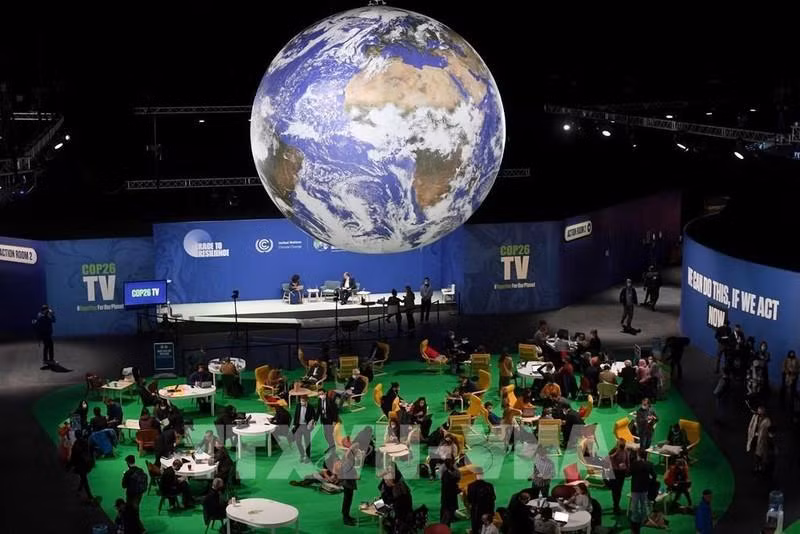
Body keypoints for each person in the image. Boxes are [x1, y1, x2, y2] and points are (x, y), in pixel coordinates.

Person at [629, 448, 656, 534]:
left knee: (635, 506)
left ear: (638, 455)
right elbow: (654, 476)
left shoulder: (634, 464)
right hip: (645, 488)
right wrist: (649, 482)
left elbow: (628, 474)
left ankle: (635, 520)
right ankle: (644, 519)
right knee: (644, 504)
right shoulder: (650, 464)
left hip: (635, 488)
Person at [465, 467, 495, 534]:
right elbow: (493, 499)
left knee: (476, 528)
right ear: (483, 474)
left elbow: (469, 500)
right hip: (487, 511)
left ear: (475, 475)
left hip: (476, 512)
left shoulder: (470, 486)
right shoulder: (489, 486)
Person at [121, 455, 147, 528]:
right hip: (139, 493)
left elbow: (124, 485)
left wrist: (124, 476)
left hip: (131, 494)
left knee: (132, 511)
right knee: (136, 508)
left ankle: (139, 528)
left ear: (128, 463)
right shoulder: (140, 470)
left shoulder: (128, 473)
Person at [69, 436, 95, 503]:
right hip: (88, 464)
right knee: (83, 478)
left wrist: (69, 466)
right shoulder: (86, 443)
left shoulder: (76, 445)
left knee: (84, 479)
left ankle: (89, 496)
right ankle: (79, 490)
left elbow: (73, 457)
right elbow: (91, 453)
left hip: (81, 465)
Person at [608, 438, 631, 514]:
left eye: (623, 445)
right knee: (615, 490)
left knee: (619, 490)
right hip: (614, 472)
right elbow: (608, 458)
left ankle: (616, 505)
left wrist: (627, 469)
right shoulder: (614, 450)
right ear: (618, 444)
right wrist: (616, 453)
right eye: (621, 445)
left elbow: (627, 461)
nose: (622, 446)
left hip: (621, 473)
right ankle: (616, 506)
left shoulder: (625, 451)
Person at [747, 405, 771, 473]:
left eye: (761, 412)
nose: (759, 413)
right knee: (755, 453)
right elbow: (751, 426)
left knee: (760, 455)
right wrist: (750, 434)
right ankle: (756, 467)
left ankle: (760, 467)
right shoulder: (755, 417)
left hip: (762, 440)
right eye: (758, 412)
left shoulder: (767, 420)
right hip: (754, 439)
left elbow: (769, 431)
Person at [340, 444, 360, 525]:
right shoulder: (348, 461)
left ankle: (347, 515)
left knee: (348, 500)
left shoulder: (350, 458)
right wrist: (356, 477)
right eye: (356, 450)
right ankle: (345, 518)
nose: (357, 451)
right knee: (347, 501)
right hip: (348, 484)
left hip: (348, 483)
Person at [292, 395, 317, 462]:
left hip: (306, 427)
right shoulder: (298, 405)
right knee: (298, 442)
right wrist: (294, 424)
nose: (301, 402)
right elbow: (296, 415)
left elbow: (314, 417)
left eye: (303, 401)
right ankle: (302, 454)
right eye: (301, 401)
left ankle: (308, 456)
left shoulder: (311, 407)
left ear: (307, 401)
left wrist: (312, 422)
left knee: (307, 442)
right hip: (298, 426)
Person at [440, 457, 461, 525]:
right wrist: (457, 489)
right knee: (447, 509)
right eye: (451, 463)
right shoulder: (446, 474)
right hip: (448, 495)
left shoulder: (451, 471)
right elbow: (453, 482)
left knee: (452, 507)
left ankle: (451, 517)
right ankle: (446, 521)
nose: (453, 464)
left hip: (450, 494)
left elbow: (458, 476)